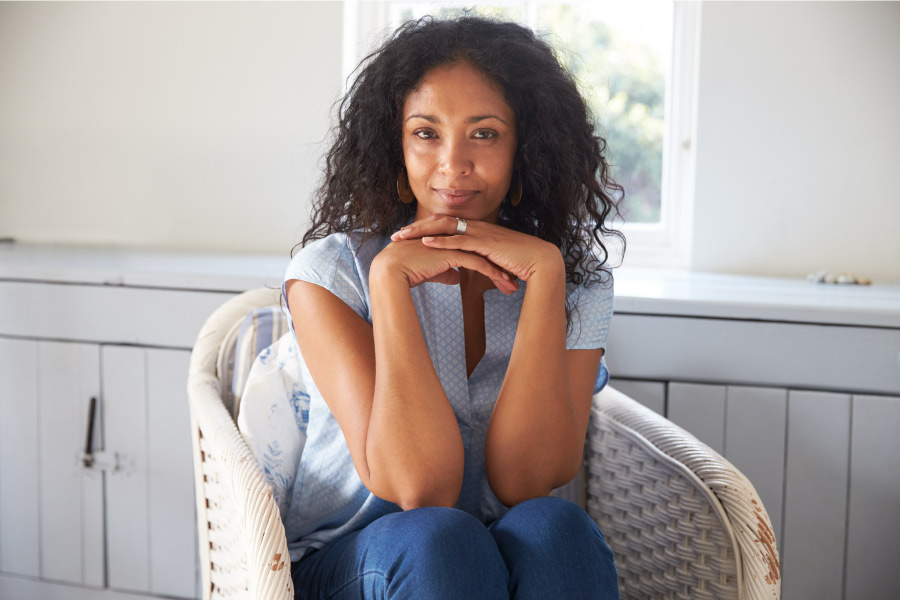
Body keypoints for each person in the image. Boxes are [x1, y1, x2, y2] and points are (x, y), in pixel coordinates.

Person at [281, 15, 623, 600]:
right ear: (396, 146)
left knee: (557, 526)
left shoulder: (575, 281)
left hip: (496, 554)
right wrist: (389, 281)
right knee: (443, 539)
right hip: (357, 561)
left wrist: (544, 278)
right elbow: (420, 488)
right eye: (426, 133)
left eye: (484, 134)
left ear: (526, 147)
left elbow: (527, 481)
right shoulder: (331, 273)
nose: (453, 164)